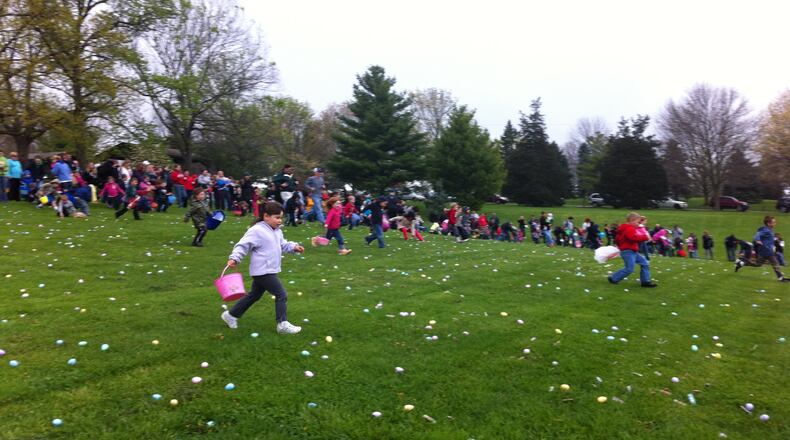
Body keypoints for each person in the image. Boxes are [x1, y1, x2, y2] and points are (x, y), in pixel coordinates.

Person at [221, 201, 305, 334]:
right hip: (263, 270)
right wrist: (235, 258)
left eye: (281, 217)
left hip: (268, 269)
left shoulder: (277, 231)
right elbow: (243, 245)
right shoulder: (257, 231)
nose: (280, 220)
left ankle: (230, 315)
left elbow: (283, 244)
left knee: (254, 295)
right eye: (277, 217)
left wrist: (293, 247)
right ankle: (282, 324)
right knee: (281, 294)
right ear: (266, 216)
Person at [608, 212, 657, 288]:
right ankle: (613, 278)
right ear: (632, 220)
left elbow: (617, 239)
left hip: (631, 251)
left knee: (644, 263)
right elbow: (633, 238)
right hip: (628, 252)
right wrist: (645, 237)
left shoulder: (624, 228)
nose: (638, 224)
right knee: (629, 269)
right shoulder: (629, 228)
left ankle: (645, 281)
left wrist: (620, 245)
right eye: (637, 222)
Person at [735, 216, 789, 282]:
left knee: (759, 264)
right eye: (773, 222)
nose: (775, 223)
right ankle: (780, 278)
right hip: (765, 251)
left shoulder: (769, 230)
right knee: (773, 262)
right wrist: (757, 240)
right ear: (768, 223)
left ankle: (741, 262)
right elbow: (757, 235)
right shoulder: (765, 230)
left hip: (767, 250)